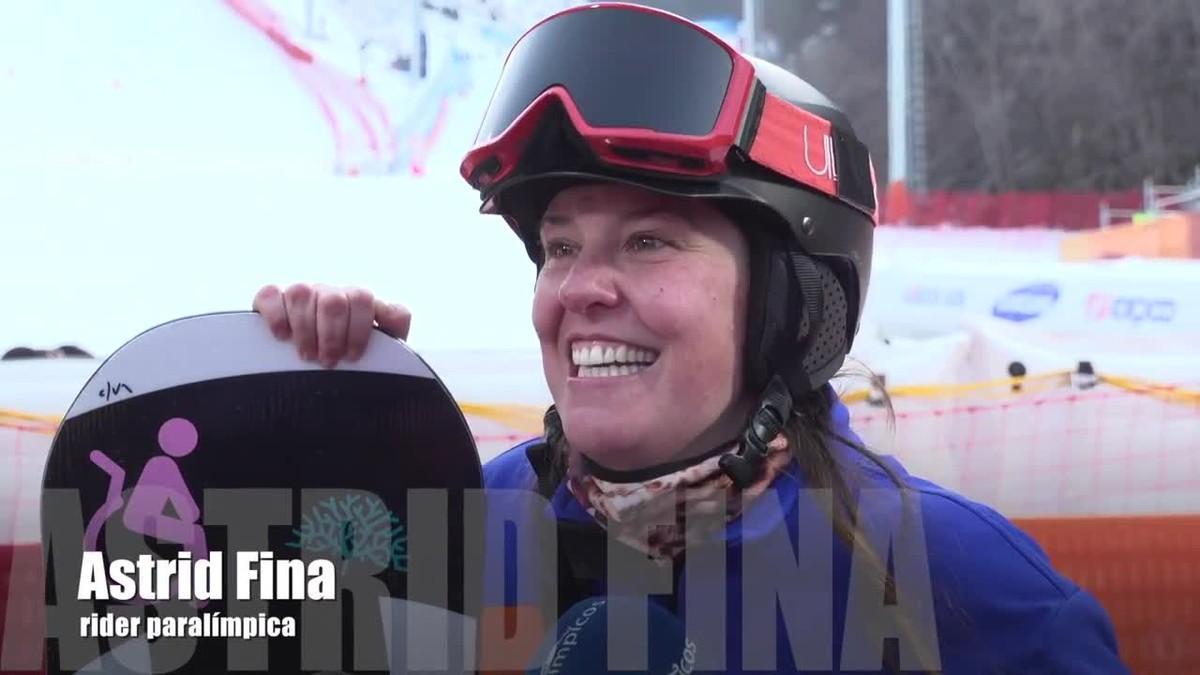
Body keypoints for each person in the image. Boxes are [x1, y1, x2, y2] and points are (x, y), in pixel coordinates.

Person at [252, 3, 1128, 672]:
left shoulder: (972, 593)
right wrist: (304, 449)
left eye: (648, 240)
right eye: (560, 246)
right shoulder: (461, 536)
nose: (583, 288)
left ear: (793, 304)